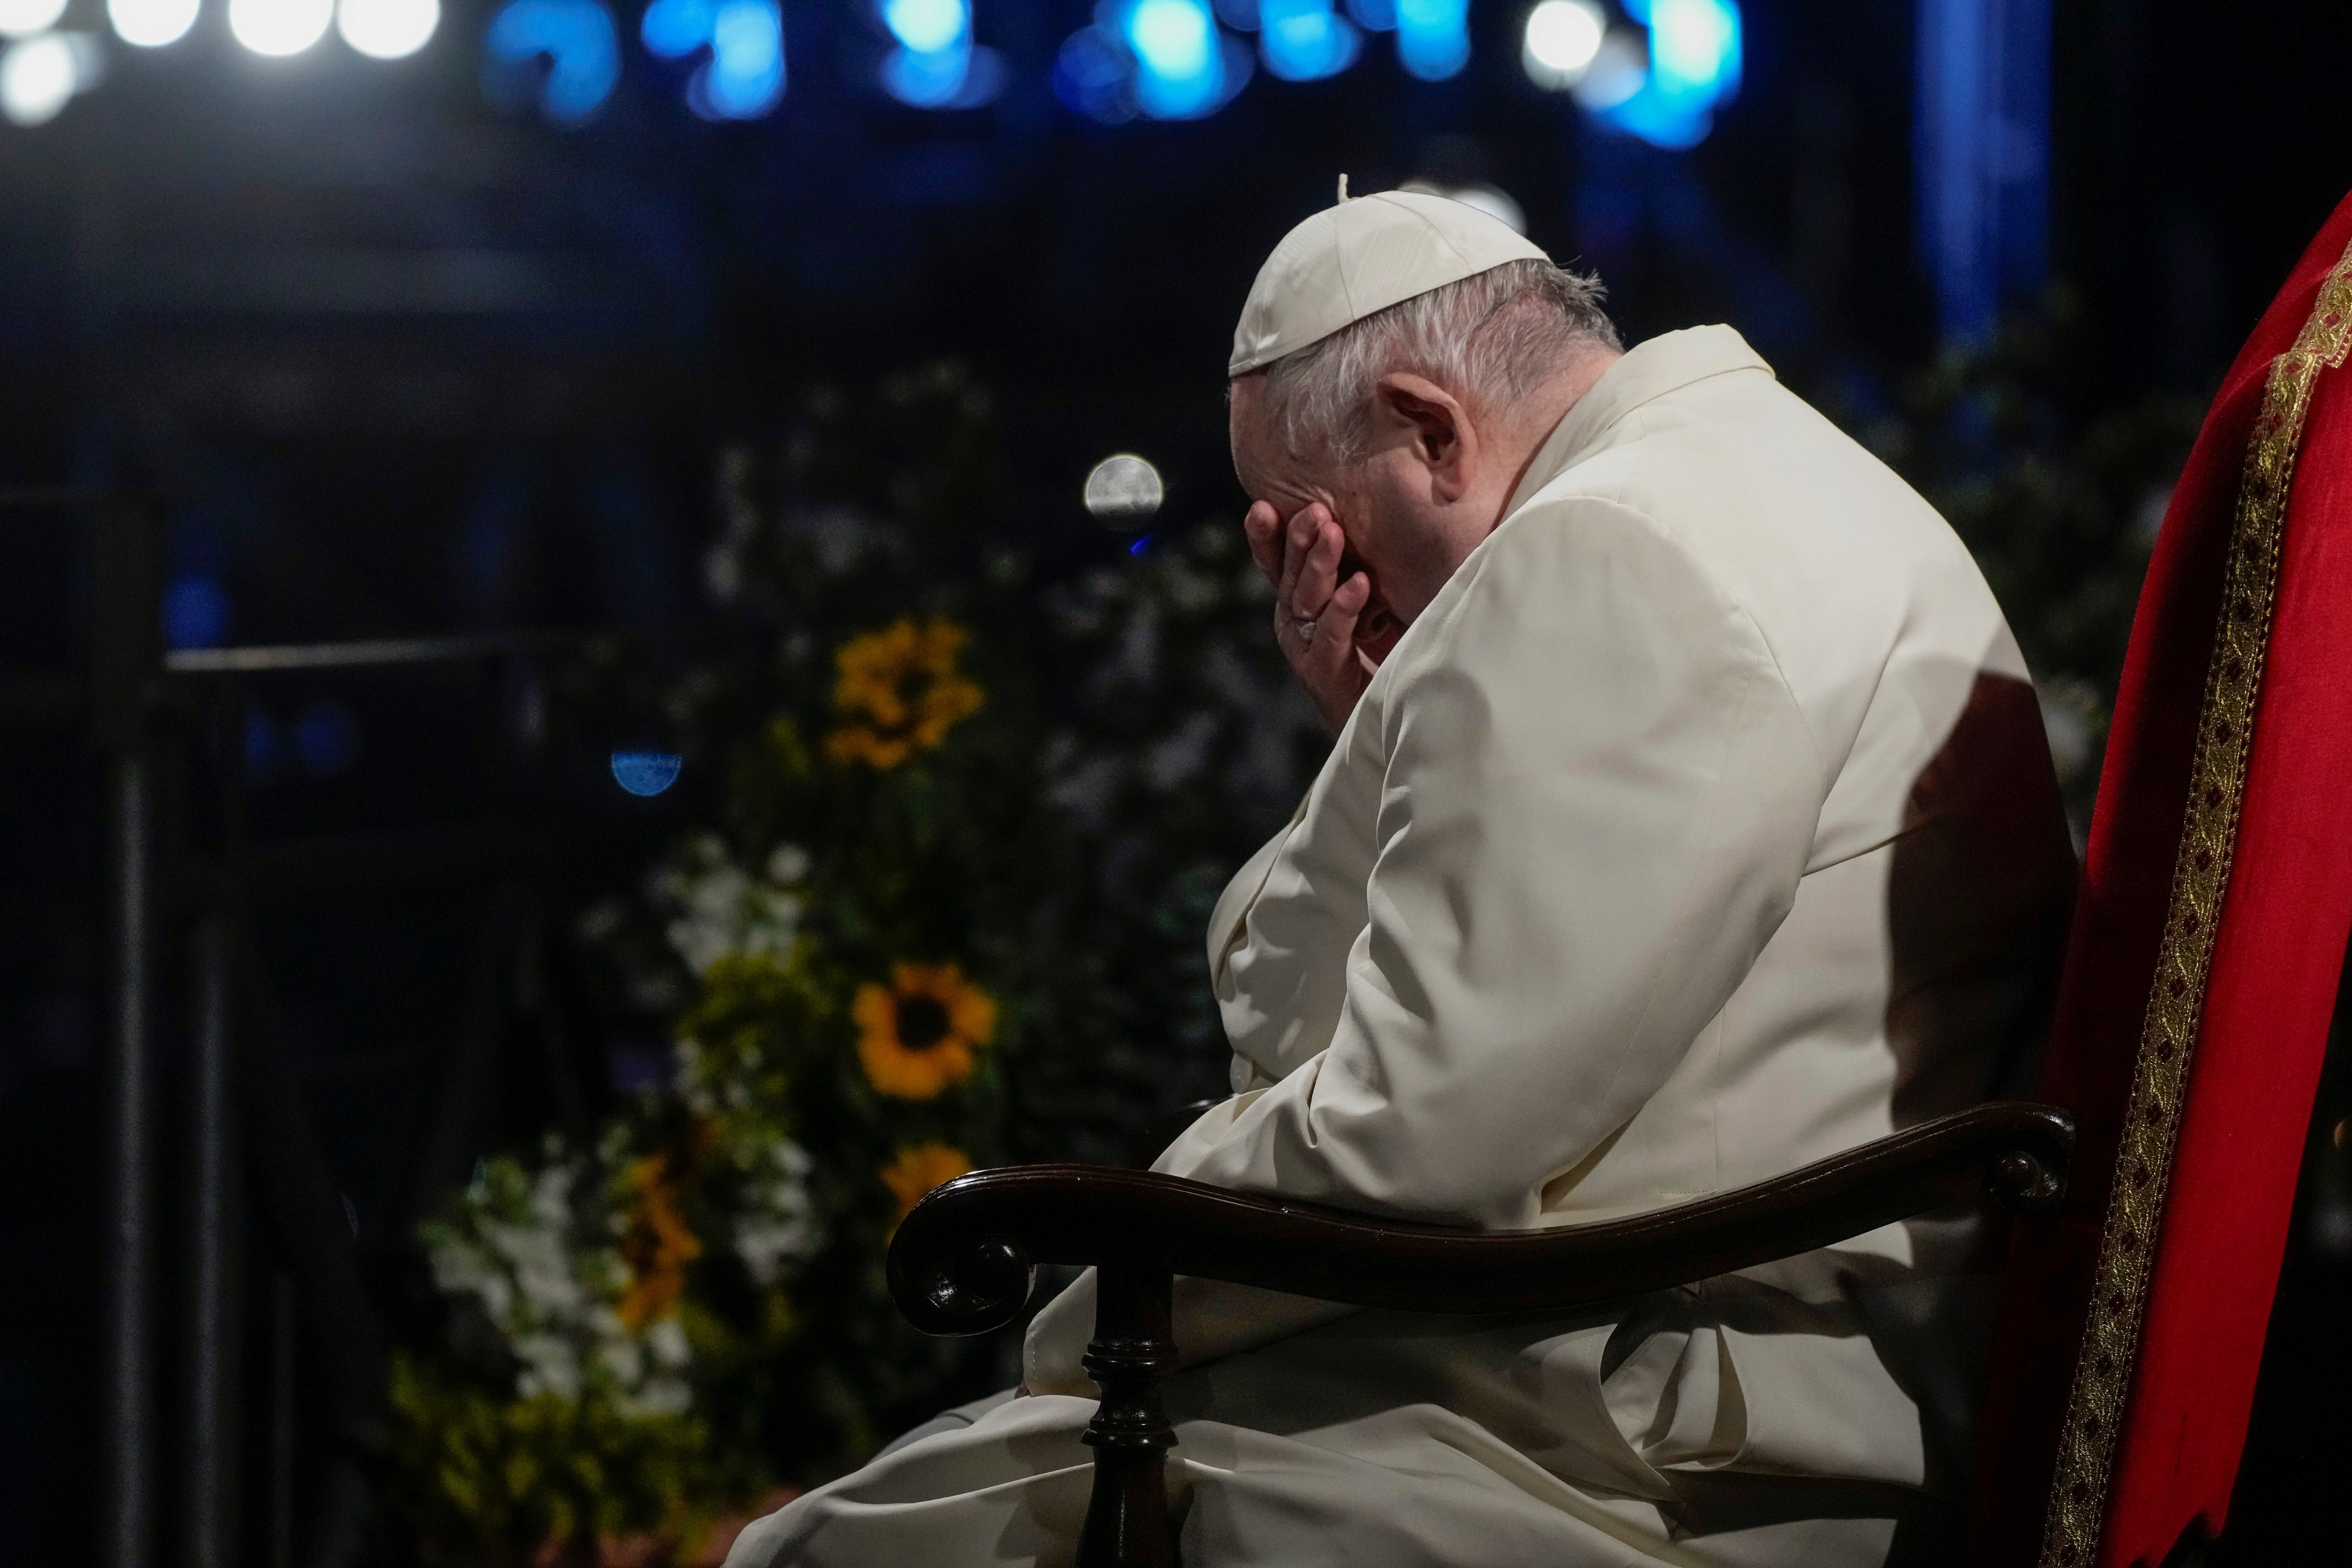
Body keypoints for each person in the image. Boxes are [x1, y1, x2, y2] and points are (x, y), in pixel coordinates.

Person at [727, 189, 2076, 1567]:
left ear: (1430, 429)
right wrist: (1396, 710)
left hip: (1646, 1423)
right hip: (1693, 1349)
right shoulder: (1743, 474)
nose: (1329, 581)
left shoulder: (1613, 551)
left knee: (842, 1549)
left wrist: (1100, 1273)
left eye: (1315, 526)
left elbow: (1419, 1132)